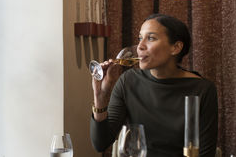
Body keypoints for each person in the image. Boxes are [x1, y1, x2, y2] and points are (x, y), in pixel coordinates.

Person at [90, 14, 218, 157]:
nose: (140, 46)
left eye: (150, 38)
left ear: (175, 47)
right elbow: (100, 143)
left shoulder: (203, 89)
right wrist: (100, 97)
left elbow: (205, 154)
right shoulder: (128, 81)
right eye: (140, 38)